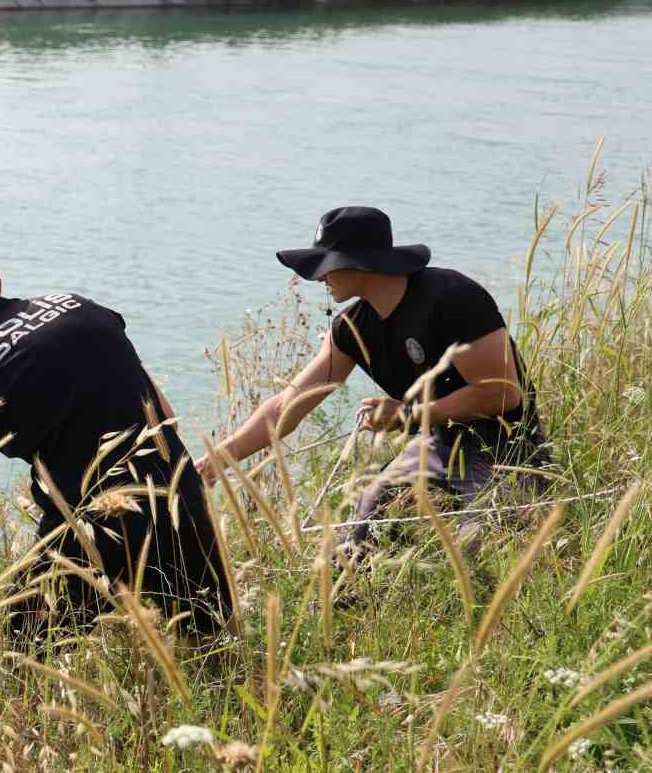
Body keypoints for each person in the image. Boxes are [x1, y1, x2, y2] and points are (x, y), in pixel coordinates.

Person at [0, 239, 231, 647]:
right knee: (217, 652)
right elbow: (164, 416)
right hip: (178, 494)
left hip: (91, 528)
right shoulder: (82, 308)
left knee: (28, 666)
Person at [197, 206, 549, 554]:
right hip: (438, 446)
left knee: (479, 544)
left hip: (508, 450)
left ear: (359, 261)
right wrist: (221, 457)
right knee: (363, 528)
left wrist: (408, 415)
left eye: (327, 264)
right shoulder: (351, 330)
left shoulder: (453, 298)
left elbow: (502, 396)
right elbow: (287, 405)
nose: (320, 277)